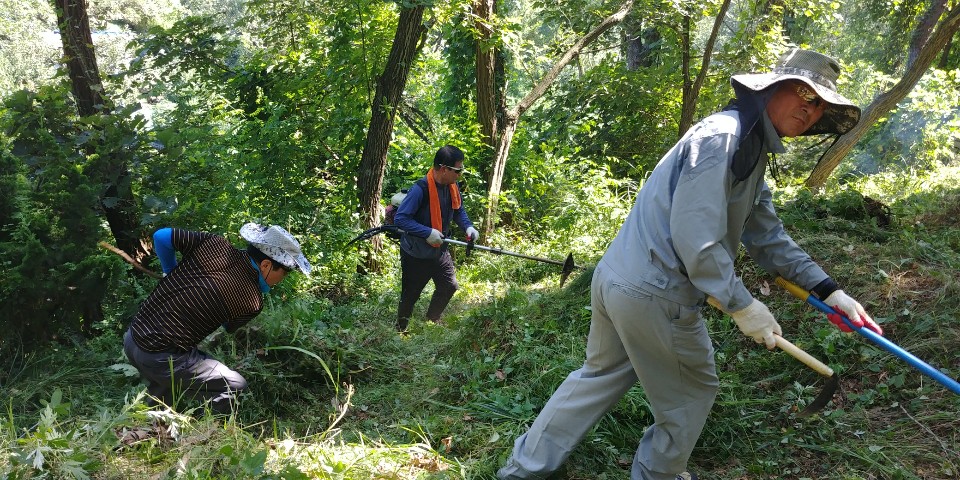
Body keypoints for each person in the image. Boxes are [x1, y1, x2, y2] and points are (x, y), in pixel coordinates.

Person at [497, 48, 885, 480]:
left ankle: (522, 470)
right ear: (771, 88)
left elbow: (768, 236)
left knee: (598, 377)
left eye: (818, 106)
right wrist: (742, 305)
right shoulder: (725, 139)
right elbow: (694, 239)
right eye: (802, 95)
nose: (809, 111)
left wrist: (829, 289)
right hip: (656, 293)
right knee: (692, 394)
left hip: (620, 281)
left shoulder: (750, 150)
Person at [123, 223, 311, 414]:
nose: (282, 280)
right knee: (233, 386)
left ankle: (149, 427)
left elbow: (162, 236)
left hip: (133, 337)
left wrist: (169, 270)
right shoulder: (253, 301)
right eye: (284, 274)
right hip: (160, 356)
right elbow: (229, 326)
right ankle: (205, 437)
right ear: (266, 265)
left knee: (171, 377)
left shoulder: (214, 244)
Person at [393, 145, 479, 332]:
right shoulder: (420, 189)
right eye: (457, 170)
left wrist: (468, 226)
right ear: (443, 169)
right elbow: (401, 219)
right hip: (416, 252)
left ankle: (433, 318)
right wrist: (427, 232)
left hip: (439, 249)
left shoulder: (452, 187)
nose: (460, 174)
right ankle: (401, 329)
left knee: (449, 286)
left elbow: (458, 211)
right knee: (410, 294)